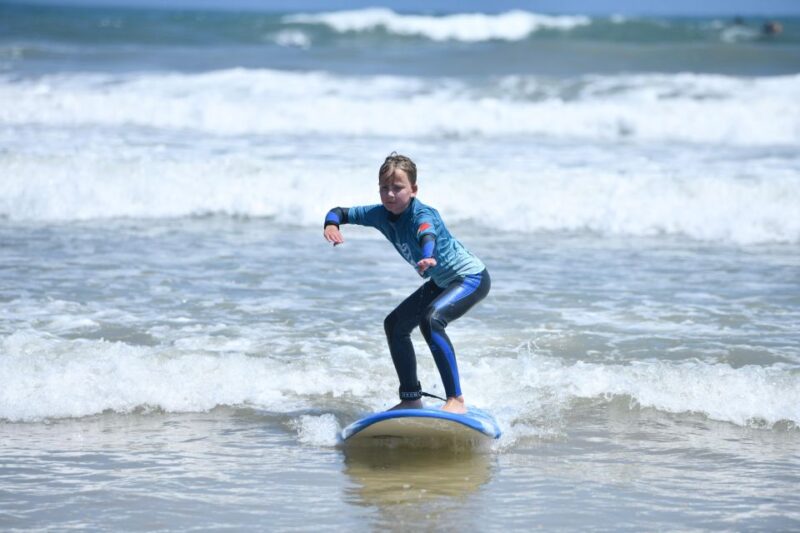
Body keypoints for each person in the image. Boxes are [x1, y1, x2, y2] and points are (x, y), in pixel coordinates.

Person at [323, 153, 490, 414]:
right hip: (441, 280)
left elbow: (427, 233)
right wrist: (331, 225)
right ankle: (411, 397)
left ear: (413, 190)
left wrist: (427, 256)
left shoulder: (422, 214)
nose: (390, 194)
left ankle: (456, 400)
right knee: (395, 325)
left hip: (470, 278)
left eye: (398, 188)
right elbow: (339, 212)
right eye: (384, 188)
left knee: (432, 321)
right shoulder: (379, 214)